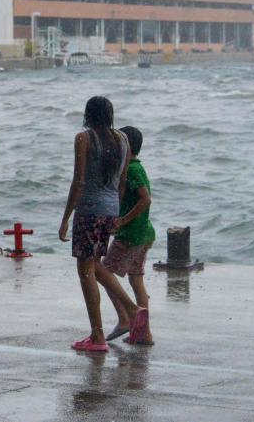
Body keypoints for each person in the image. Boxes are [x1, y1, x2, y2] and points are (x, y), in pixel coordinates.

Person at [58, 96, 148, 352]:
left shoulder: (84, 139)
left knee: (85, 271)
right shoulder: (122, 139)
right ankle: (131, 310)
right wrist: (115, 212)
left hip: (89, 211)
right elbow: (120, 182)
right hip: (110, 209)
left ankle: (97, 336)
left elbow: (79, 181)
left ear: (88, 115)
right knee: (94, 265)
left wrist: (66, 217)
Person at [102, 126, 156, 345]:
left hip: (131, 234)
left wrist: (123, 221)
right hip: (143, 233)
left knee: (103, 272)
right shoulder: (135, 167)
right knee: (136, 281)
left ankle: (125, 319)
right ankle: (144, 333)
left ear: (125, 147)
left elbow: (146, 199)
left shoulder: (132, 169)